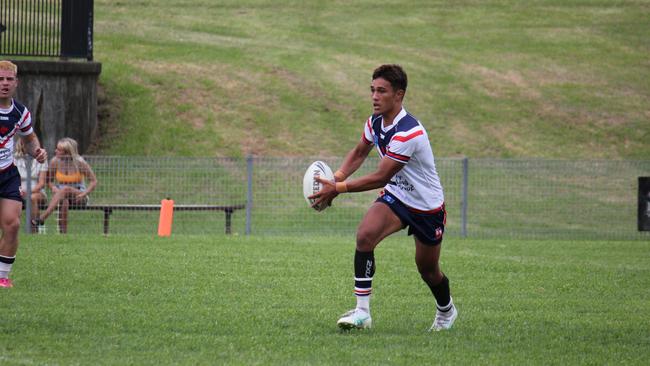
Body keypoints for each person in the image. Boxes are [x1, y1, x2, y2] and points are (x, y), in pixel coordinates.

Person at [310, 64, 457, 331]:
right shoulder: (374, 122)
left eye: (382, 91)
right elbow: (358, 152)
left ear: (398, 95)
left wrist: (337, 189)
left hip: (426, 207)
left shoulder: (409, 133)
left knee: (427, 270)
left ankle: (446, 310)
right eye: (372, 90)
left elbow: (380, 177)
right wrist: (337, 177)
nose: (374, 96)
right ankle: (362, 313)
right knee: (365, 236)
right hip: (397, 196)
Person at [0, 60, 48, 288]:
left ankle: (2, 276)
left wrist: (36, 151)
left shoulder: (20, 112)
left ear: (16, 83)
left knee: (13, 224)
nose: (4, 83)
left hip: (8, 174)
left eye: (9, 79)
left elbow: (29, 139)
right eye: (0, 79)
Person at [32, 137, 97, 234]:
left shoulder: (80, 162)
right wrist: (53, 187)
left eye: (59, 150)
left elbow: (94, 181)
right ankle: (63, 234)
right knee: (64, 200)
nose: (55, 151)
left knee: (65, 189)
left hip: (79, 195)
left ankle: (42, 217)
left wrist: (84, 194)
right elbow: (49, 181)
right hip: (61, 195)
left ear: (67, 152)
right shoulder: (55, 162)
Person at [14, 138, 48, 233]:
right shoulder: (15, 158)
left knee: (32, 198)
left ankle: (33, 229)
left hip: (37, 192)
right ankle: (12, 230)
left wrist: (29, 192)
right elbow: (16, 179)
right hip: (19, 191)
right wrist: (20, 191)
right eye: (26, 144)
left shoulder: (42, 158)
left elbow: (41, 183)